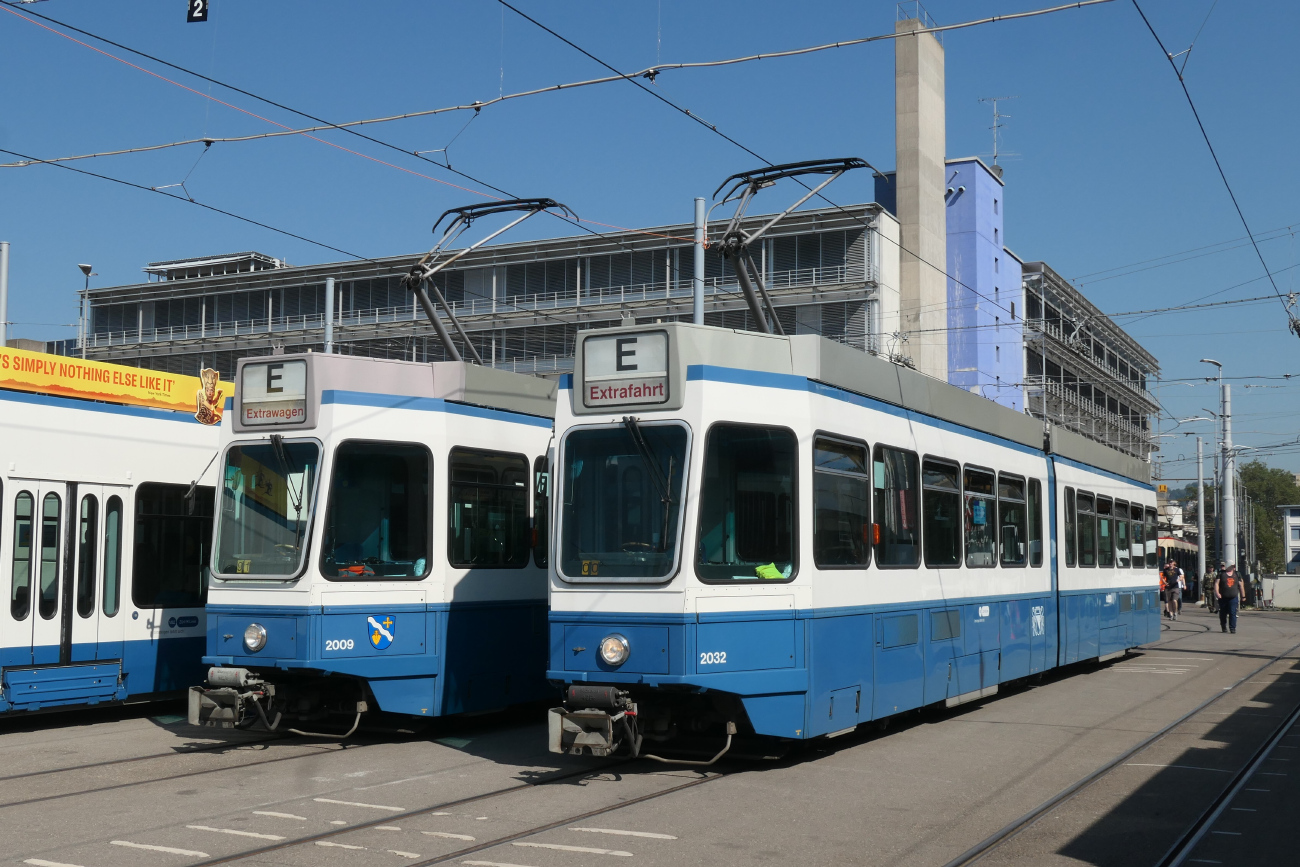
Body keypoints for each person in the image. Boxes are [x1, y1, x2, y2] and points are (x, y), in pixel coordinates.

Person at [1215, 563, 1243, 634]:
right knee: (1223, 612)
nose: (1232, 567)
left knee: (1232, 612)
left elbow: (1241, 585)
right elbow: (1216, 584)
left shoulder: (1237, 574)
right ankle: (1223, 626)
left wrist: (1243, 595)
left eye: (1233, 566)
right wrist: (1217, 593)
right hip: (1223, 597)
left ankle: (1232, 628)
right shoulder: (1221, 574)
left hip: (1233, 597)